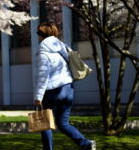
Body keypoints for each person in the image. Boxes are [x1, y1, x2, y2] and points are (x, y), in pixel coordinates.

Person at [34, 22, 96, 150]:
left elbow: (42, 75)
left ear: (41, 35)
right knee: (63, 123)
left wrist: (38, 96)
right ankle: (86, 143)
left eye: (38, 34)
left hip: (52, 91)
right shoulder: (63, 48)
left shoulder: (43, 52)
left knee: (45, 123)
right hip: (68, 89)